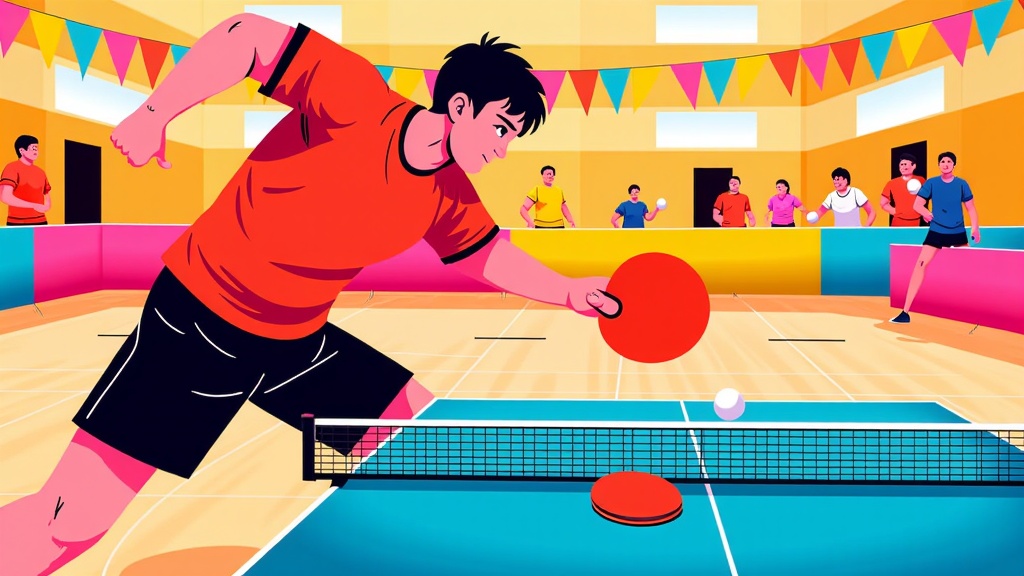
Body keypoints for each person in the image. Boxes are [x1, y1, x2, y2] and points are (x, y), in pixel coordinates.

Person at [0, 15, 619, 575]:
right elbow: (244, 36)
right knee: (66, 526)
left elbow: (485, 253)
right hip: (199, 323)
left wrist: (569, 292)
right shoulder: (355, 98)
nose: (503, 148)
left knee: (421, 441)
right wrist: (157, 114)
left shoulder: (447, 193)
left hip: (296, 341)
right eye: (501, 128)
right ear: (460, 105)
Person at [890, 151, 980, 324]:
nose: (945, 164)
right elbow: (918, 204)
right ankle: (905, 312)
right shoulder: (931, 183)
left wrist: (975, 228)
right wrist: (927, 214)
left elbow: (971, 208)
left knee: (970, 269)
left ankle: (975, 312)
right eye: (942, 161)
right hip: (936, 233)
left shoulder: (962, 184)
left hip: (957, 233)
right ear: (939, 165)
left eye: (949, 161)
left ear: (954, 165)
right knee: (920, 266)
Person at [0, 135, 52, 226]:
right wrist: (34, 205)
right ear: (21, 150)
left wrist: (47, 205)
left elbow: (46, 192)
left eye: (37, 148)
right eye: (33, 148)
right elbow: (5, 196)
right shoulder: (12, 168)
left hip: (41, 221)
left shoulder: (41, 172)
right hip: (18, 223)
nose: (36, 151)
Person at [806, 167, 876, 227]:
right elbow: (820, 212)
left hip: (855, 234)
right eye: (834, 179)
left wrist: (866, 228)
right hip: (838, 234)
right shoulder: (831, 197)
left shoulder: (856, 193)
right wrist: (813, 217)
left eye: (838, 179)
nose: (835, 182)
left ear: (846, 180)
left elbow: (872, 212)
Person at [881, 153, 927, 227]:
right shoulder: (892, 183)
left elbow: (926, 196)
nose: (902, 167)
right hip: (897, 221)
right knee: (896, 238)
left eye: (905, 164)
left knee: (914, 238)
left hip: (917, 221)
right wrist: (897, 212)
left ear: (913, 166)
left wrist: (923, 212)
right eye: (901, 165)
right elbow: (883, 203)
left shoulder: (921, 180)